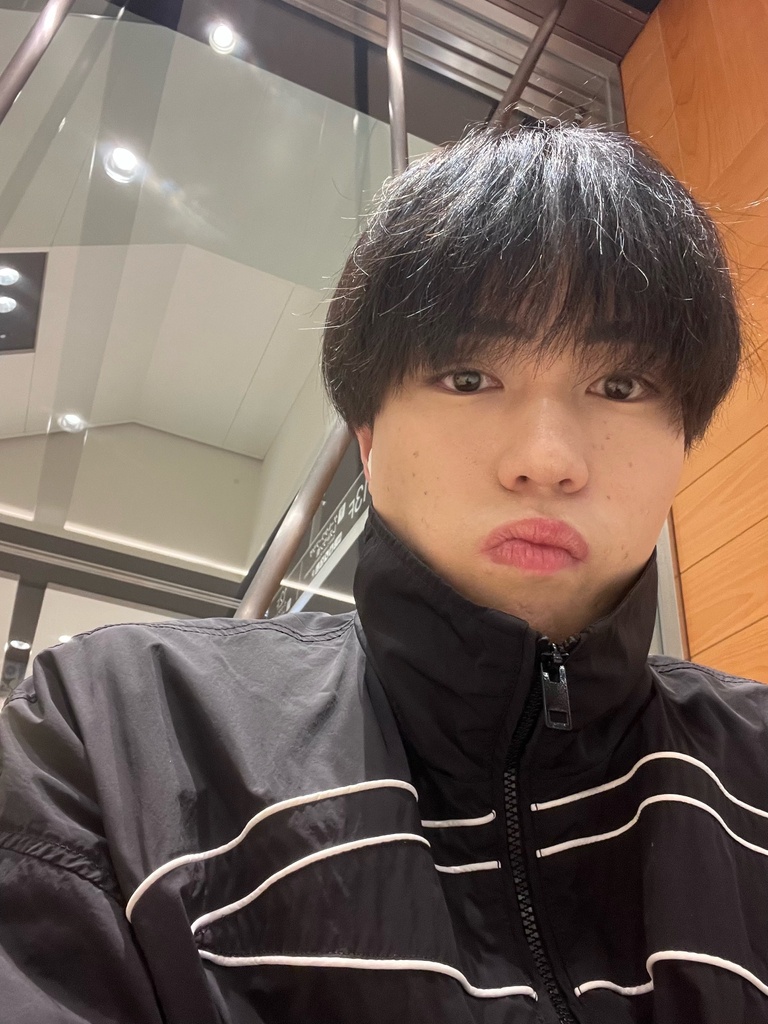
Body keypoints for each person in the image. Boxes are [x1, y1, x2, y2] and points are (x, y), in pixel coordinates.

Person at [0, 121, 763, 1024]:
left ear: (684, 439)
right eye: (469, 378)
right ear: (367, 438)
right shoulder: (116, 731)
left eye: (621, 387)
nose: (547, 460)